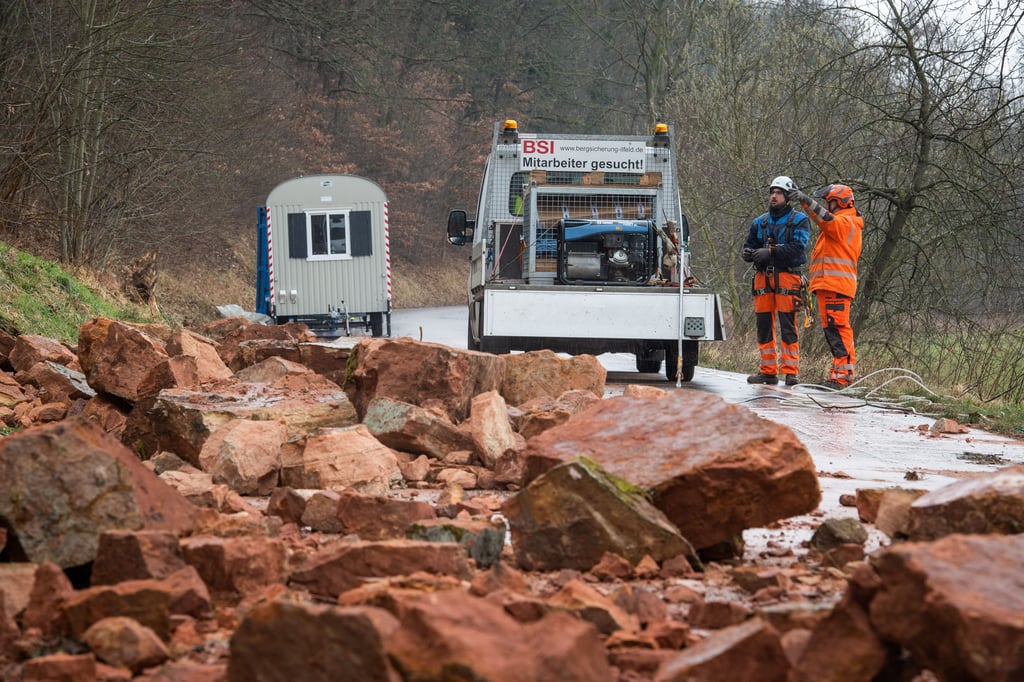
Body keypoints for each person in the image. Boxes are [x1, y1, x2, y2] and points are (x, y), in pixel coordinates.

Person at [789, 183, 864, 389]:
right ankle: (837, 376)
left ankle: (843, 378)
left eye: (828, 202)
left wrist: (805, 200)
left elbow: (825, 219)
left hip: (836, 286)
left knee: (838, 330)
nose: (827, 206)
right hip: (829, 285)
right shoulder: (843, 223)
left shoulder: (846, 222)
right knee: (833, 331)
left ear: (838, 202)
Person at [741, 176, 811, 386]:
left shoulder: (799, 220)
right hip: (763, 278)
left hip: (788, 277)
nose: (774, 196)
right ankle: (768, 371)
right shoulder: (759, 222)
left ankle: (791, 372)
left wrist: (770, 252)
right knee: (763, 326)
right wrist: (748, 253)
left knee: (788, 326)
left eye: (779, 193)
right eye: (772, 192)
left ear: (788, 197)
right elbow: (749, 244)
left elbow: (798, 248)